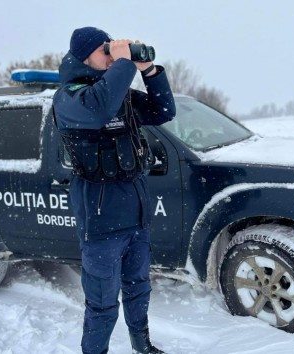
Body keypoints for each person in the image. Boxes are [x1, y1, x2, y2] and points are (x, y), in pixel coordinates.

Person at [52, 26, 176, 354]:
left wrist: (148, 70)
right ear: (85, 55)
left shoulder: (116, 92)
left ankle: (143, 346)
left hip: (136, 216)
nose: (111, 56)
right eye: (105, 50)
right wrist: (122, 64)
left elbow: (164, 111)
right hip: (101, 221)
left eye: (112, 50)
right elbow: (98, 109)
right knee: (103, 305)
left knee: (139, 291)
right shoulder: (70, 97)